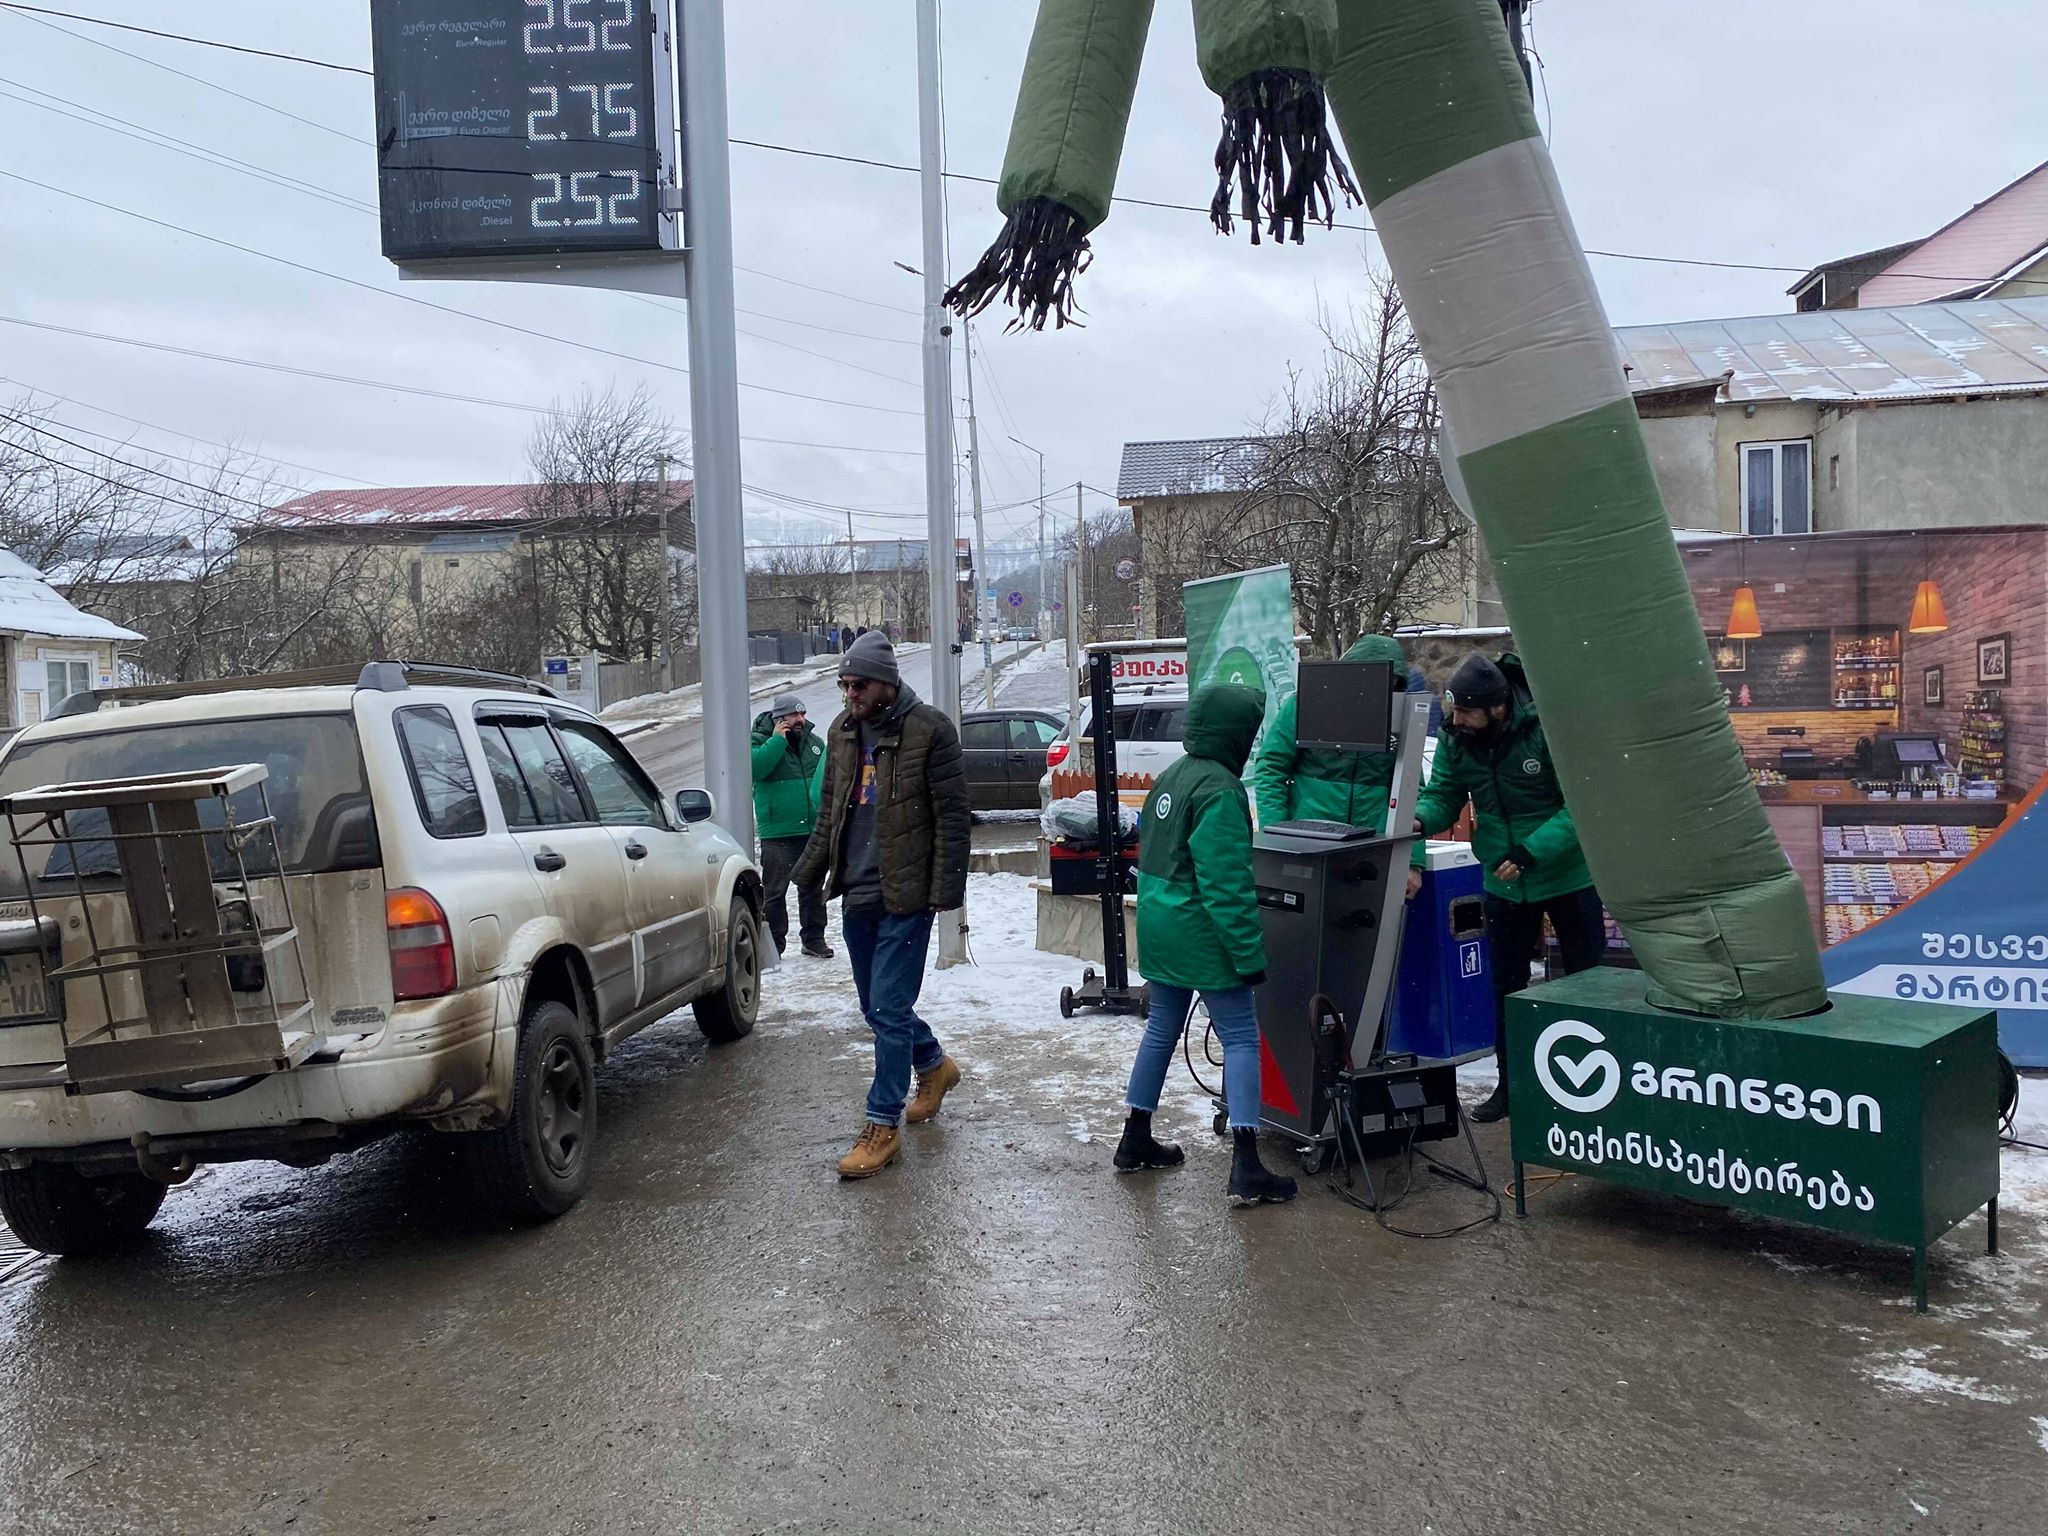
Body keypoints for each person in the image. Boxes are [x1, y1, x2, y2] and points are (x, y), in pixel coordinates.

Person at [794, 631, 972, 1179]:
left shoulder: (930, 729)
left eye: (858, 683)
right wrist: (805, 875)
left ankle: (881, 1125)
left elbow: (953, 818)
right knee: (876, 1008)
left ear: (886, 682)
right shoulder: (844, 732)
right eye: (844, 683)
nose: (850, 692)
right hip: (859, 890)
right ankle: (934, 1065)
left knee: (889, 1009)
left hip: (907, 894)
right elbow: (831, 812)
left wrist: (945, 895)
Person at [1116, 683, 1297, 1206]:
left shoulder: (1171, 776)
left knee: (1160, 1030)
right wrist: (1248, 955)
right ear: (1236, 733)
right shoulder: (1220, 788)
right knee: (1241, 1036)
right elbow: (1226, 884)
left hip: (1160, 924)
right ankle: (1246, 1164)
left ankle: (1135, 1137)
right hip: (1201, 930)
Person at [1414, 651, 1605, 1123]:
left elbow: (1581, 804)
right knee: (1506, 988)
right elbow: (1444, 795)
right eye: (1453, 711)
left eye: (1465, 713)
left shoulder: (1547, 730)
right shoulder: (1459, 739)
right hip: (1501, 883)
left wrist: (1531, 851)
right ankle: (1512, 1085)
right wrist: (1417, 820)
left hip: (1566, 875)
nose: (1455, 721)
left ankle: (1600, 1086)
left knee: (1587, 981)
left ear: (1497, 708)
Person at [1252, 632, 1429, 897]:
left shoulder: (1400, 717)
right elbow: (1271, 768)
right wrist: (1277, 832)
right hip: (1308, 843)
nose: (1382, 691)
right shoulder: (1305, 705)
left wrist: (1412, 862)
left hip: (1372, 847)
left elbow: (1412, 790)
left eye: (1391, 684)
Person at [750, 693, 830, 960]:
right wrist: (777, 740)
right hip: (778, 830)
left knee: (812, 888)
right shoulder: (759, 741)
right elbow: (757, 769)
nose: (800, 720)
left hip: (811, 828)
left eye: (802, 714)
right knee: (774, 891)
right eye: (794, 715)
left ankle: (814, 939)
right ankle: (774, 945)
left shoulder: (814, 743)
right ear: (779, 719)